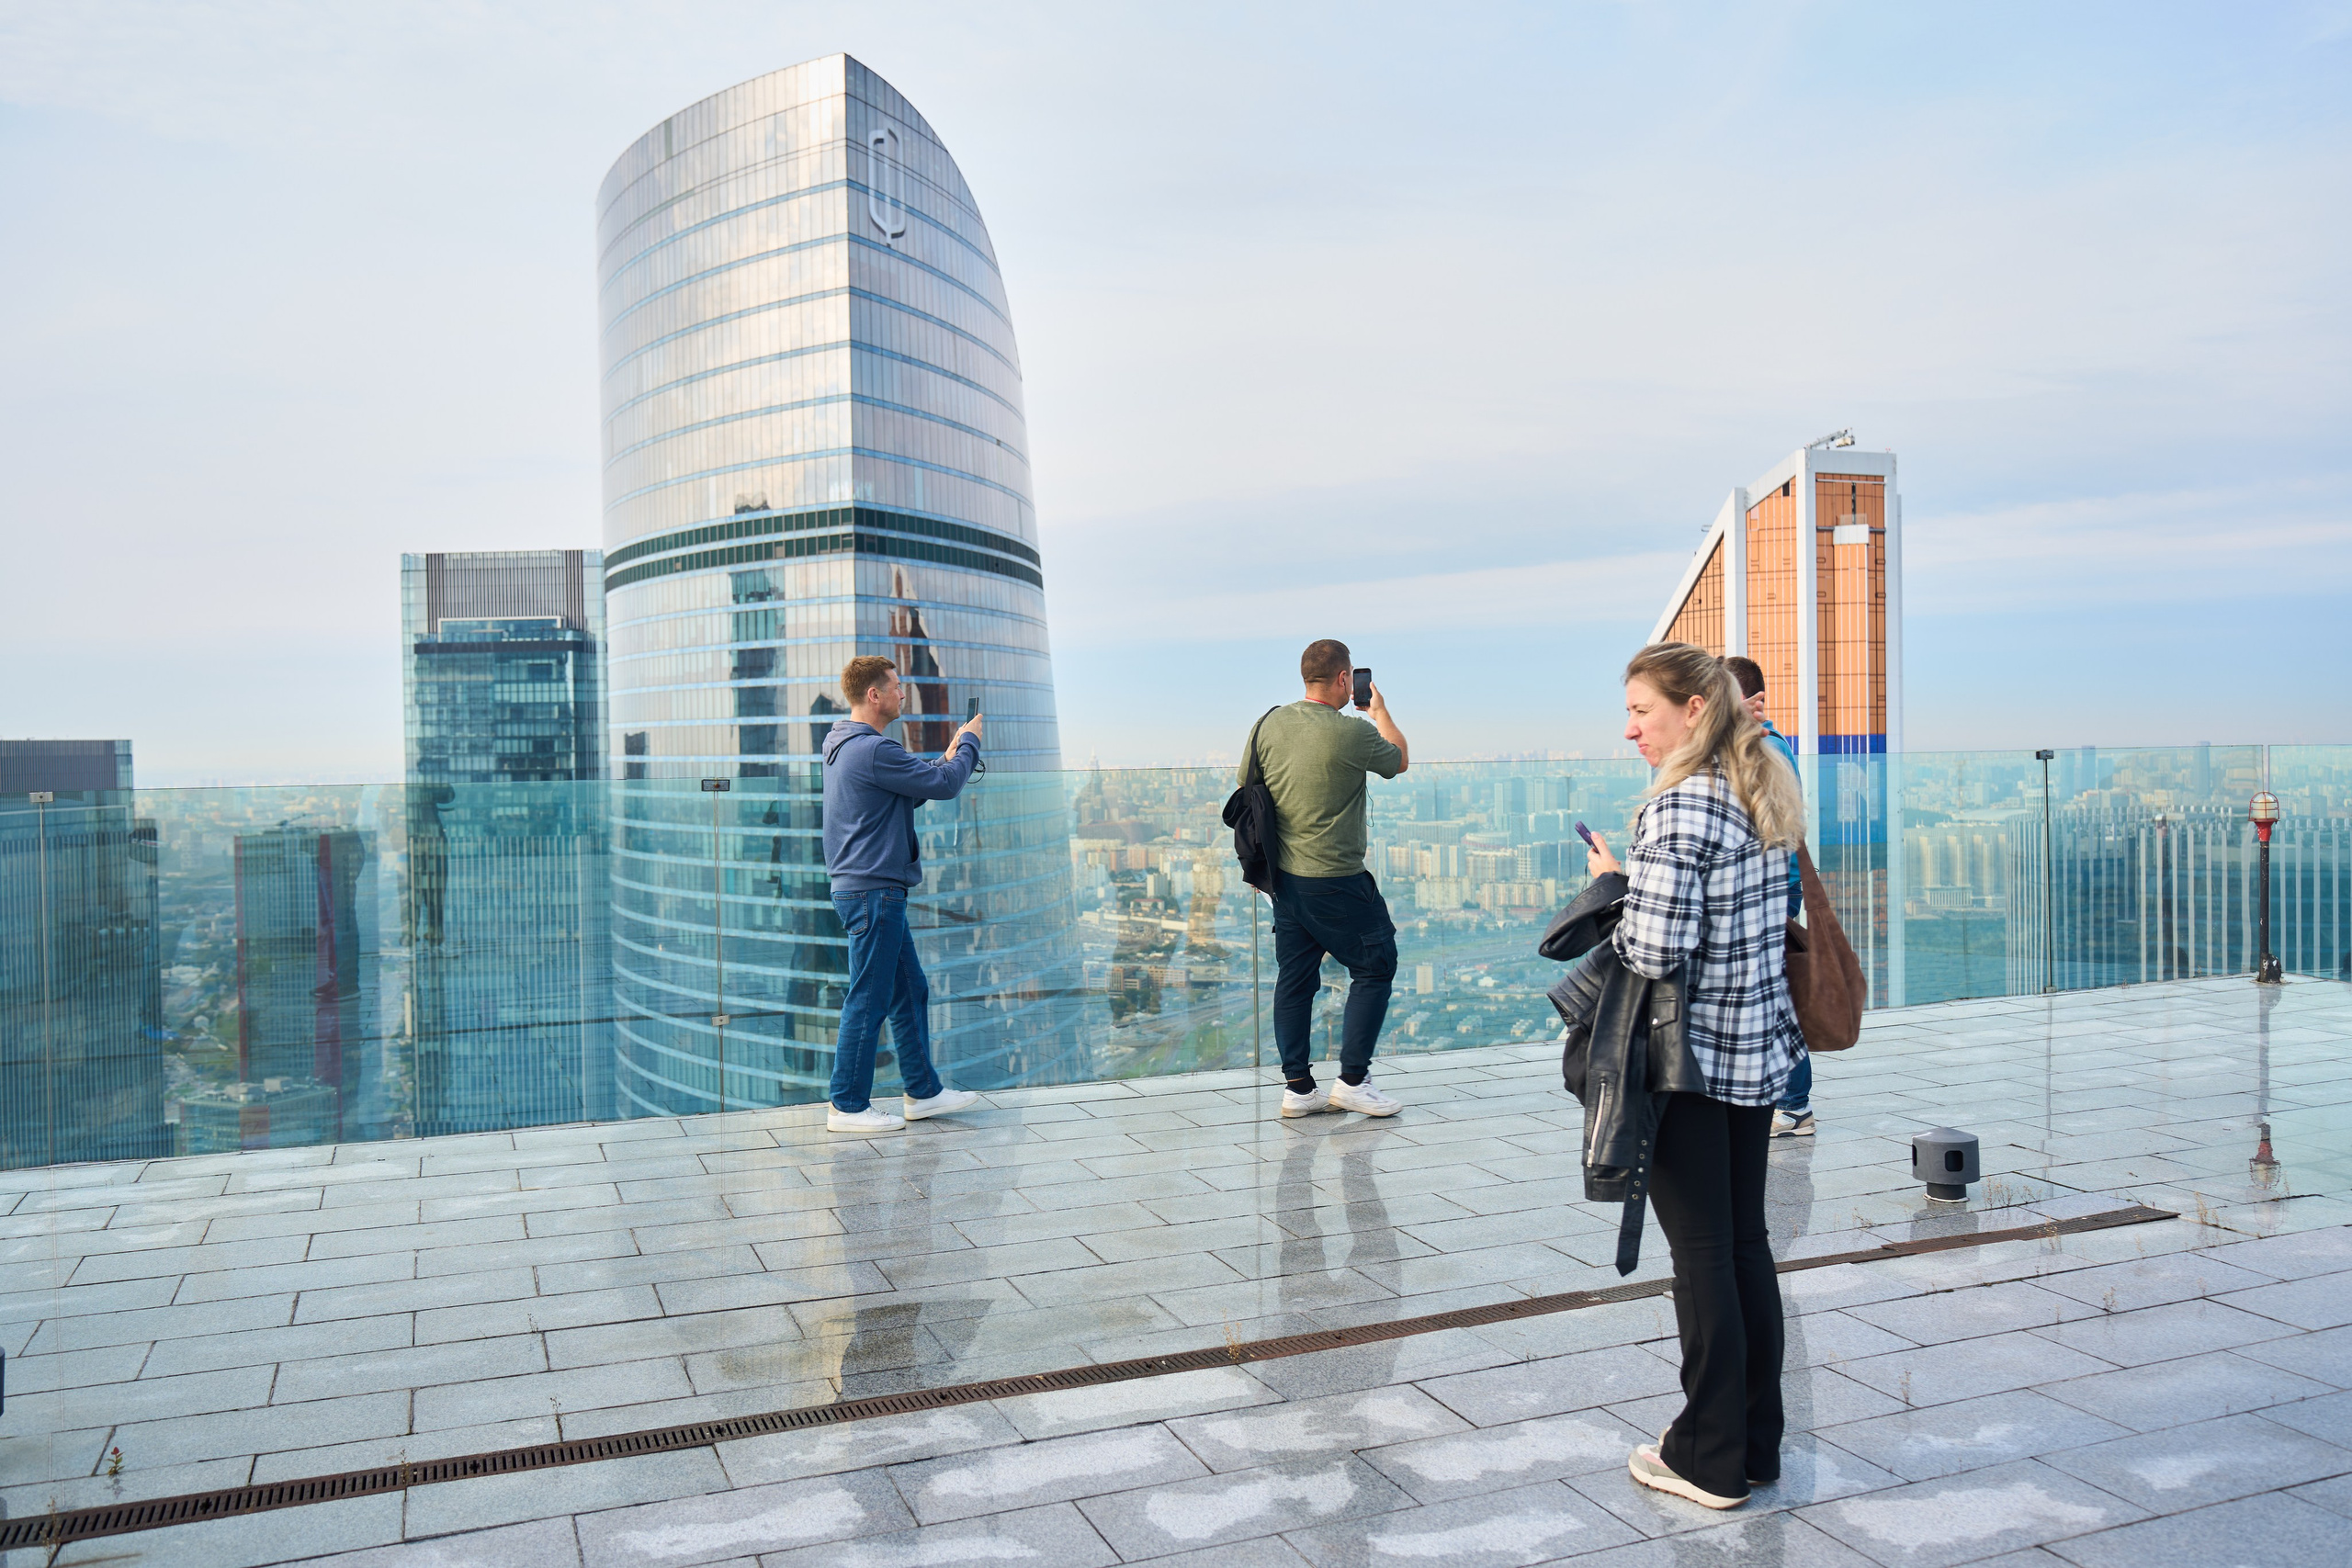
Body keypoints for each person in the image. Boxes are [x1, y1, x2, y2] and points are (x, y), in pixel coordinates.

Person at [1585, 641, 1806, 1510]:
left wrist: (1615, 888)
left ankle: (1708, 1455)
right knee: (1745, 1245)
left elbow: (1655, 948)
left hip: (1687, 1062)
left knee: (1704, 1254)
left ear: (1693, 711)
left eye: (1643, 709)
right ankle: (1755, 1445)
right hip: (1755, 1051)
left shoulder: (1679, 807)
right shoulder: (1759, 791)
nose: (1631, 726)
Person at [1242, 638, 1410, 1119]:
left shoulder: (1267, 724)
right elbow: (1398, 760)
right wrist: (1380, 712)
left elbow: (1247, 786)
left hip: (1283, 882)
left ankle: (1298, 1089)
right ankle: (1353, 1081)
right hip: (1336, 878)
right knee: (1376, 964)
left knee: (1295, 979)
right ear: (1344, 679)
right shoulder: (1352, 731)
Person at [819, 655, 986, 1134]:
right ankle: (847, 1105)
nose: (902, 692)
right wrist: (970, 742)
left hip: (867, 890)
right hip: (874, 892)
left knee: (909, 988)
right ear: (874, 695)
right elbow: (945, 786)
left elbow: (913, 786)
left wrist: (948, 755)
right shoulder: (872, 749)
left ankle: (923, 1092)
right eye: (895, 686)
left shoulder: (845, 746)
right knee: (868, 999)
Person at [1724, 655, 1813, 1139]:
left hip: (1774, 886)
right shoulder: (1751, 747)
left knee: (1775, 999)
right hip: (1765, 885)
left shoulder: (1767, 748)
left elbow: (1771, 824)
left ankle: (1795, 1105)